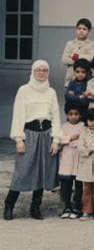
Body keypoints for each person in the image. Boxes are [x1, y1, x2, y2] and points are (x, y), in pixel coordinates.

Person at [4, 60, 61, 221]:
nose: (41, 73)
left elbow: (56, 116)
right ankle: (9, 205)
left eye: (44, 70)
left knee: (43, 171)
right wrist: (19, 139)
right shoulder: (24, 90)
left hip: (46, 135)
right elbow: (18, 115)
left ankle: (35, 206)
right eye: (38, 70)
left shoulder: (51, 92)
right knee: (23, 170)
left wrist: (56, 140)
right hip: (29, 134)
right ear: (33, 72)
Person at [58, 103, 86, 219]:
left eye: (76, 114)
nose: (73, 116)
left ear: (80, 115)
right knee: (66, 185)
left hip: (78, 158)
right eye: (71, 114)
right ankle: (67, 206)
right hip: (66, 158)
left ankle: (77, 206)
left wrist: (70, 140)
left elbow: (83, 140)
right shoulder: (63, 126)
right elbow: (60, 140)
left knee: (78, 184)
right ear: (67, 115)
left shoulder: (83, 126)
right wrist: (71, 138)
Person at [61, 18, 94, 87]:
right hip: (70, 78)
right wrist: (82, 61)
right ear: (76, 29)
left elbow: (90, 58)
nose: (81, 31)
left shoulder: (91, 44)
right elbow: (64, 60)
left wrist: (74, 56)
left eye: (84, 29)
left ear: (89, 31)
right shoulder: (70, 44)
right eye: (79, 28)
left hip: (85, 80)